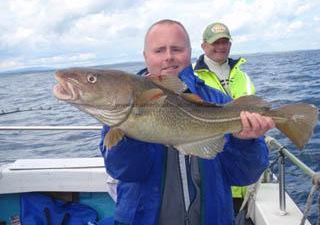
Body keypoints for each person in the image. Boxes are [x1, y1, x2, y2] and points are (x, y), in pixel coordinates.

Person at [99, 19, 275, 225]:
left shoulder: (218, 100)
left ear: (190, 51)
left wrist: (245, 143)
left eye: (176, 49)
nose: (168, 57)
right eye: (159, 50)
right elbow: (126, 171)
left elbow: (243, 176)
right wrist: (130, 131)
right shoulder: (121, 106)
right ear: (145, 56)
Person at [193, 22, 258, 214]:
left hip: (242, 165)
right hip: (209, 166)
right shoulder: (192, 77)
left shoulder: (243, 77)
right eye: (215, 42)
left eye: (225, 42)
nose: (221, 46)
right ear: (203, 45)